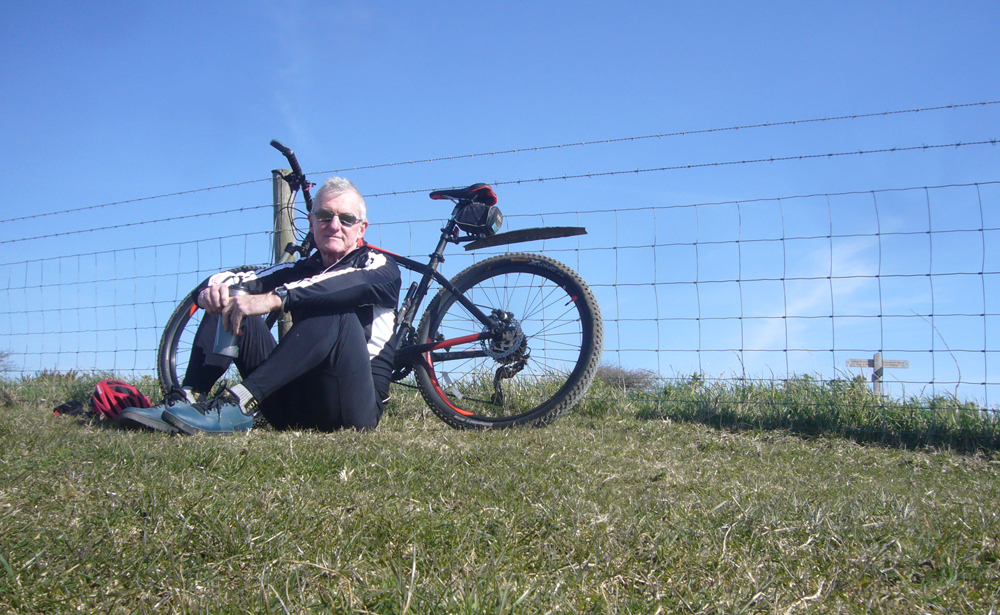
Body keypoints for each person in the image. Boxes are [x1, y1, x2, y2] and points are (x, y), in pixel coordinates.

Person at [123, 176, 400, 434]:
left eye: (347, 218)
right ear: (312, 223)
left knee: (335, 310)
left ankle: (238, 402)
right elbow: (243, 279)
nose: (334, 225)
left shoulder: (380, 267)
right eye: (325, 216)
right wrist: (211, 292)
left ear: (361, 228)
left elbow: (344, 284)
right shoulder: (302, 268)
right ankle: (185, 400)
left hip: (350, 409)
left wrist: (273, 299)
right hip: (290, 408)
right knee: (232, 299)